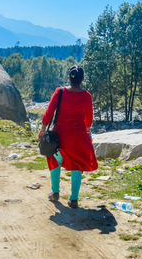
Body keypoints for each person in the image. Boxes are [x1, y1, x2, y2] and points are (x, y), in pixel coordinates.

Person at [38, 65, 98, 209]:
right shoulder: (87, 96)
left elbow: (49, 111)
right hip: (78, 136)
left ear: (68, 78)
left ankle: (55, 192)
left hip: (60, 135)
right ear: (82, 79)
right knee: (77, 164)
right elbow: (88, 118)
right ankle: (74, 199)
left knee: (54, 159)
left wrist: (43, 129)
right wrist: (88, 131)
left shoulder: (60, 92)